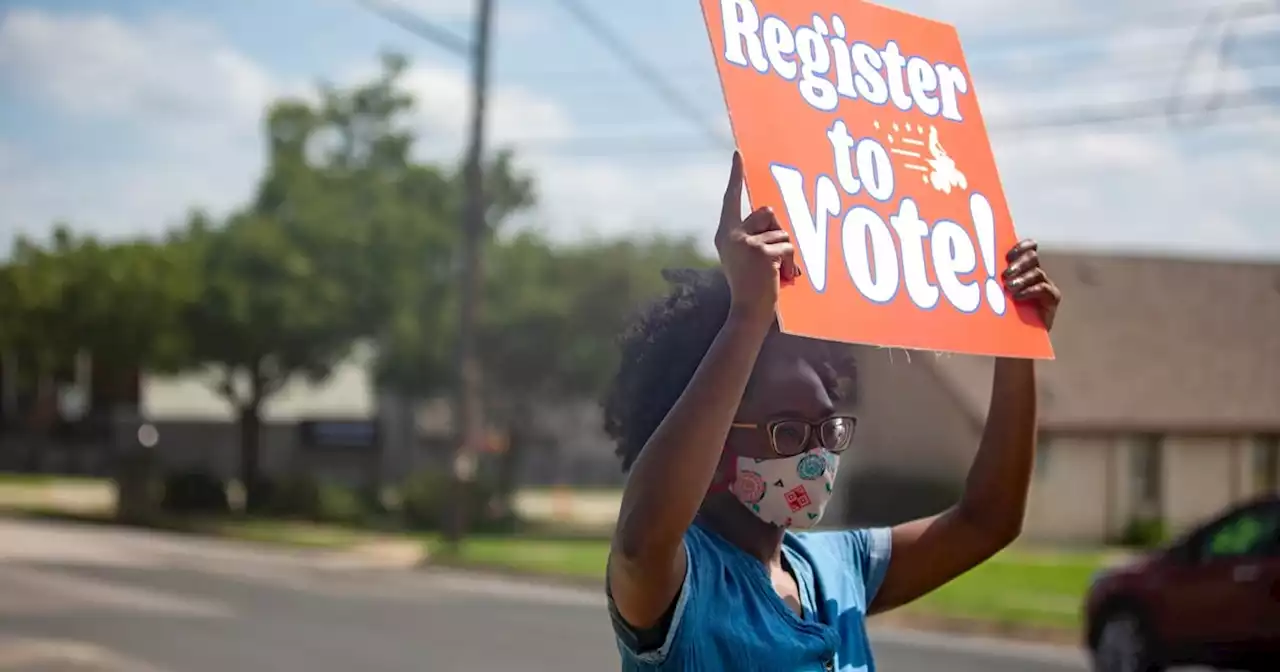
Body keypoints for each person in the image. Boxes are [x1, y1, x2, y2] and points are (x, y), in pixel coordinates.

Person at [601, 151, 1062, 671]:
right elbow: (639, 543)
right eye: (789, 430)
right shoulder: (682, 582)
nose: (816, 452)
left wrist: (1019, 340)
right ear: (712, 435)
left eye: (828, 427)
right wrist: (749, 314)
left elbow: (987, 520)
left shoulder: (836, 568)